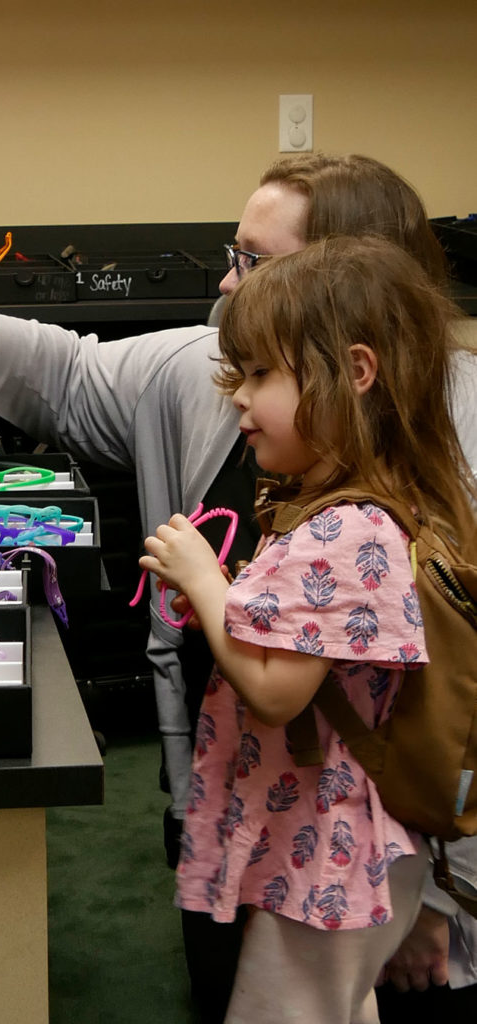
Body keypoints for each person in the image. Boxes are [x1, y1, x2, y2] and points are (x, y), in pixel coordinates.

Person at [0, 153, 477, 1020]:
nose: (230, 286)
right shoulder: (231, 374)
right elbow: (72, 372)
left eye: (258, 264)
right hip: (257, 818)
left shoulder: (428, 458)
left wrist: (437, 899)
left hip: (358, 862)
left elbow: (448, 704)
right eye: (232, 255)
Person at [137, 235, 477, 1023]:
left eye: (261, 374)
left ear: (355, 374)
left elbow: (275, 692)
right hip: (316, 833)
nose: (238, 398)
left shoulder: (347, 530)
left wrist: (204, 581)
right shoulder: (336, 511)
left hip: (328, 840)